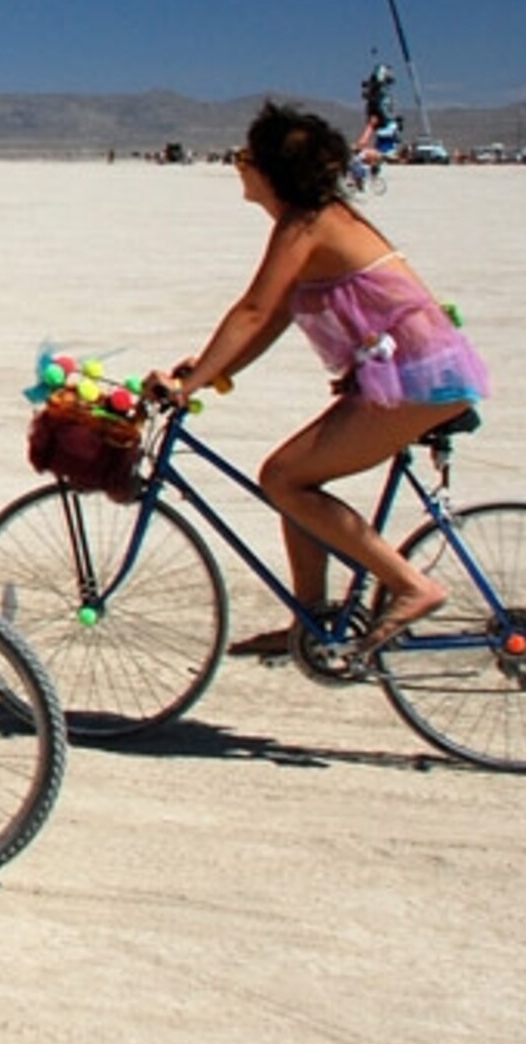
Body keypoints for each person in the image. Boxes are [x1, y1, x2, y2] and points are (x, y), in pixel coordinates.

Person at [144, 101, 487, 662]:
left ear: (271, 171)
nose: (239, 164)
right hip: (410, 373)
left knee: (284, 478)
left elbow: (253, 310)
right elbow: (272, 319)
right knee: (293, 481)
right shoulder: (314, 221)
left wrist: (189, 386)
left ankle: (411, 586)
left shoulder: (305, 225)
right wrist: (207, 373)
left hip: (417, 379)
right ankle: (310, 621)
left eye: (246, 156)